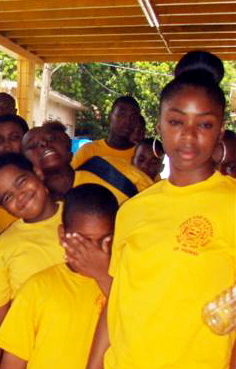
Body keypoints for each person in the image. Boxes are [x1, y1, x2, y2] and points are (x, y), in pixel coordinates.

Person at [87, 68, 236, 369]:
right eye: (176, 121)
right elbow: (118, 302)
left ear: (220, 131)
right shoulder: (133, 209)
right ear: (159, 125)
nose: (189, 135)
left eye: (204, 124)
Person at [0, 184, 117, 369]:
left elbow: (134, 322)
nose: (92, 253)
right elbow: (12, 363)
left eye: (104, 241)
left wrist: (103, 276)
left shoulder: (123, 285)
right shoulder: (37, 288)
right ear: (62, 235)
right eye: (83, 241)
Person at [0, 153, 64, 369]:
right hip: (36, 357)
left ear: (37, 172)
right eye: (8, 197)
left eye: (21, 182)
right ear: (3, 208)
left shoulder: (80, 215)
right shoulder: (4, 249)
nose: (20, 195)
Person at [22, 121, 153, 204]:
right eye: (32, 145)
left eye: (51, 138)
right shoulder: (38, 209)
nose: (44, 144)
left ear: (69, 153)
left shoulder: (109, 169)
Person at [72, 96, 142, 168]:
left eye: (133, 117)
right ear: (110, 116)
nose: (127, 121)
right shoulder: (88, 151)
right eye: (122, 114)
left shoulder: (142, 157)